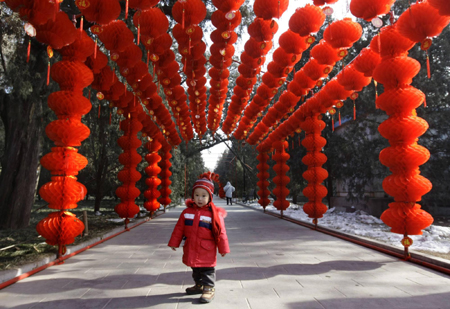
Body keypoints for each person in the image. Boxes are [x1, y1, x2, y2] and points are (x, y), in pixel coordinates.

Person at [168, 173, 230, 303]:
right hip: (191, 246)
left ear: (210, 197)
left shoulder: (214, 214)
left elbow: (221, 232)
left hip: (207, 248)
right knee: (195, 268)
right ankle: (199, 285)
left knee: (207, 270)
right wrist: (174, 242)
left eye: (203, 195)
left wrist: (223, 249)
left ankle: (209, 288)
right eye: (197, 195)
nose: (199, 199)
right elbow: (179, 229)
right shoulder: (186, 213)